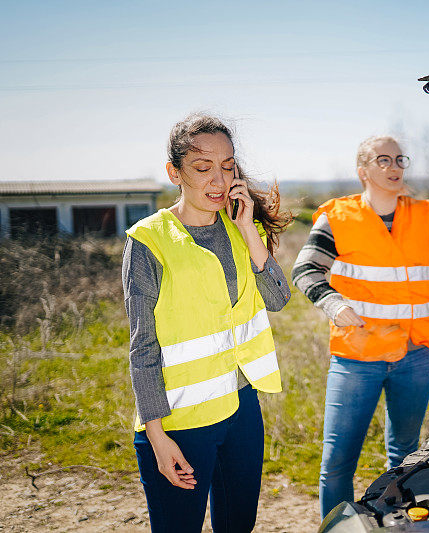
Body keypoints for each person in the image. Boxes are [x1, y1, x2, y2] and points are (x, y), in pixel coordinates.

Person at [291, 135, 429, 518]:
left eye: (399, 159)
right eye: (382, 160)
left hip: (416, 356)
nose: (394, 167)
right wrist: (333, 304)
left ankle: (398, 524)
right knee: (338, 461)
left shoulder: (425, 214)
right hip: (357, 356)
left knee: (405, 455)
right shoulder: (337, 217)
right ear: (363, 171)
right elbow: (305, 269)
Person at [122, 113, 292, 532]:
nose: (218, 180)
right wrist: (158, 439)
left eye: (228, 165)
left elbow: (278, 298)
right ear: (174, 172)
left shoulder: (239, 228)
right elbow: (143, 348)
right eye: (202, 168)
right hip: (180, 423)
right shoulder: (147, 241)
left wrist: (250, 230)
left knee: (239, 525)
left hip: (241, 410)